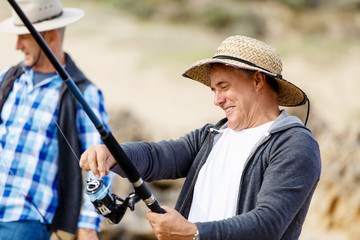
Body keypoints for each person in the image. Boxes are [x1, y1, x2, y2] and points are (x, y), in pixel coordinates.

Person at [79, 35, 321, 240]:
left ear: (258, 80)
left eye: (224, 87)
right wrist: (112, 155)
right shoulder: (213, 135)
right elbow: (159, 156)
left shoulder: (295, 144)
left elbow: (267, 224)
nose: (217, 100)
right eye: (214, 90)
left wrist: (194, 233)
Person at [0, 0, 113, 239]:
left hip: (24, 224)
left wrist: (89, 224)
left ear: (49, 36)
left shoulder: (85, 94)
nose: (17, 45)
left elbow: (101, 161)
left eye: (24, 37)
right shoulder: (7, 79)